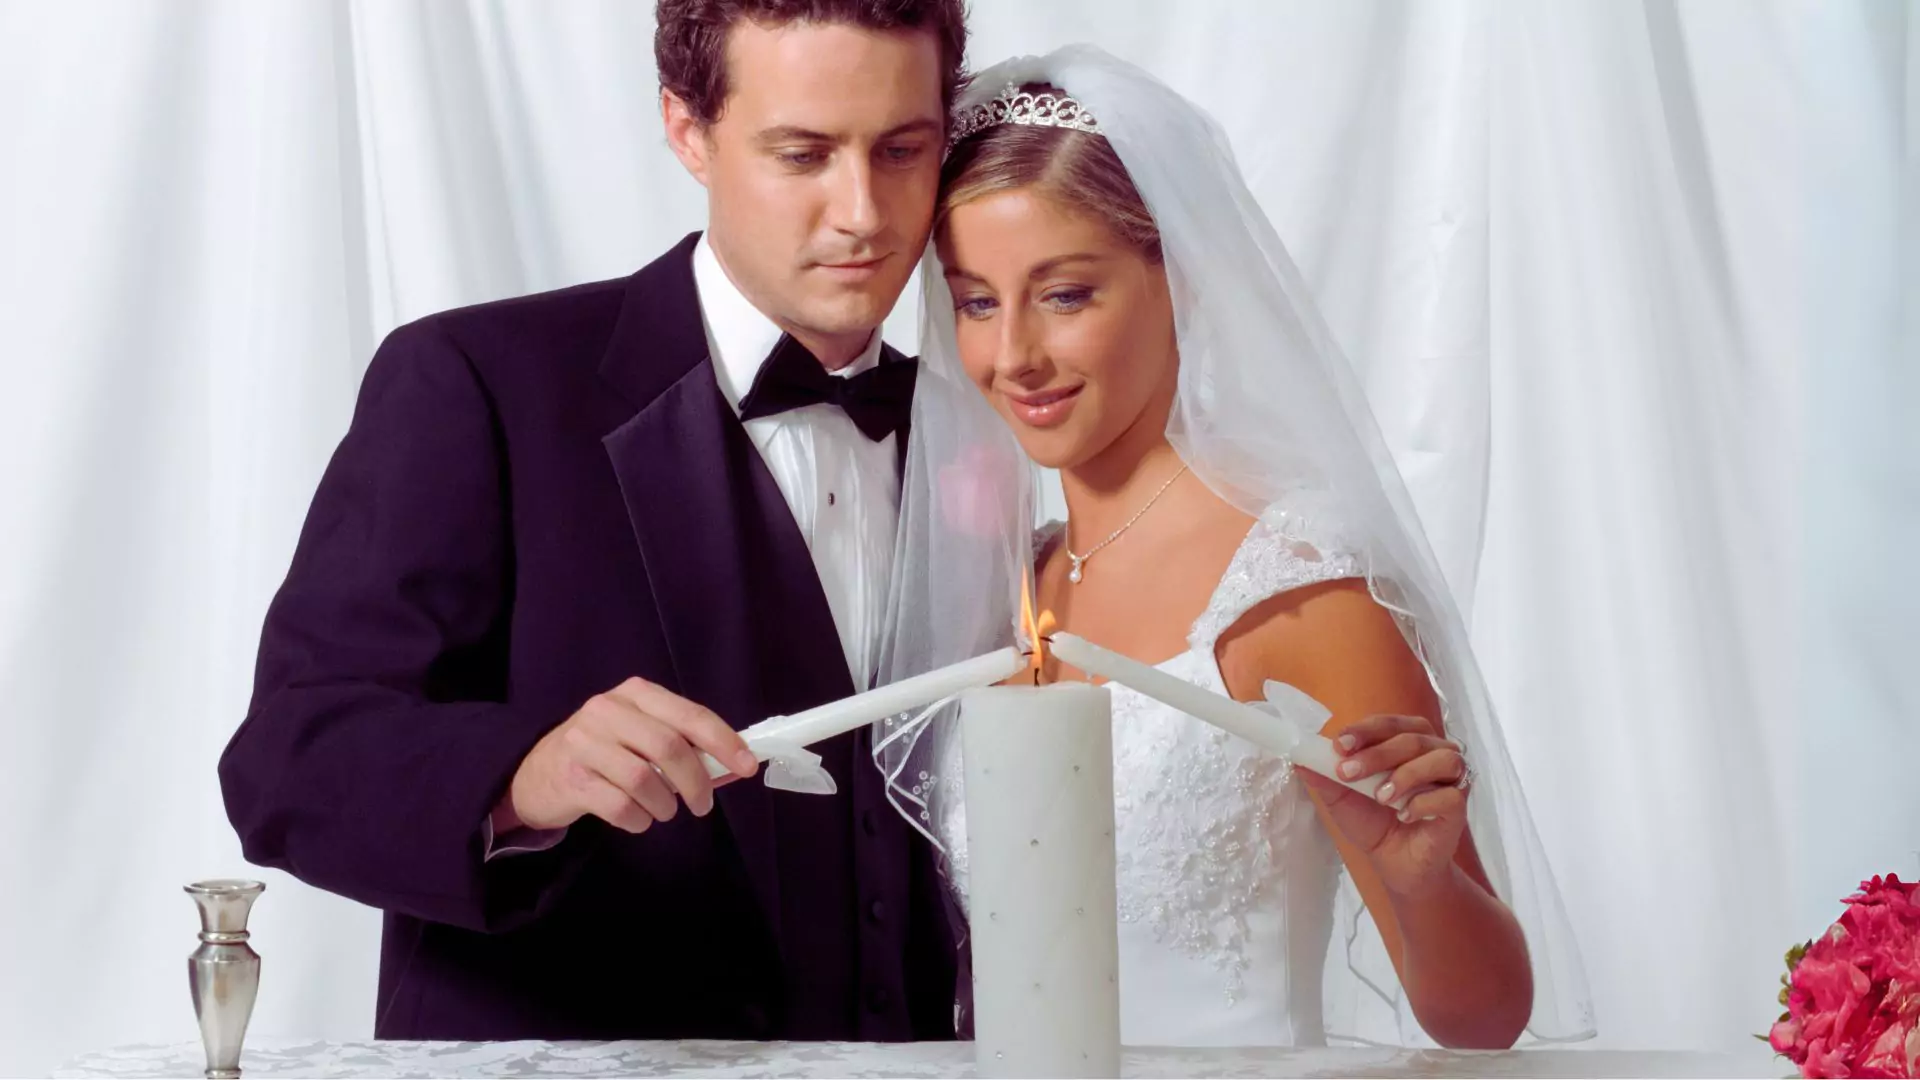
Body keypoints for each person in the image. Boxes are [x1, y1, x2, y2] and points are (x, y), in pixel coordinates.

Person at [218, 0, 969, 1042]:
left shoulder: (987, 429)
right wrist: (521, 777)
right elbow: (287, 762)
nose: (864, 213)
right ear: (687, 130)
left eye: (902, 150)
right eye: (802, 154)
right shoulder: (477, 382)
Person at [872, 46, 1596, 1049]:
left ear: (1181, 278)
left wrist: (1421, 883)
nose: (1012, 355)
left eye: (1068, 293)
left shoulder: (1294, 590)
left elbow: (1482, 1018)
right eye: (979, 301)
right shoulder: (1016, 581)